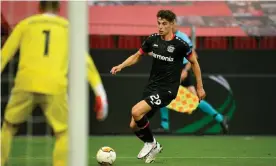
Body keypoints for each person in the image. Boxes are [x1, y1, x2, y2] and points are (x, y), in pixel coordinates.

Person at [0, 1, 108, 166]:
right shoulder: (68, 28)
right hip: (54, 86)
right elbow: (85, 62)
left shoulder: (25, 24)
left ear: (39, 8)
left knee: (8, 126)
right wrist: (99, 92)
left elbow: (4, 54)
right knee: (64, 132)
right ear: (59, 9)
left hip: (25, 83)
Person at [111, 10, 206, 163]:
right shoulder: (152, 40)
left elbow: (194, 62)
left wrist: (200, 87)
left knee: (136, 111)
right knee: (134, 125)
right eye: (159, 23)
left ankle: (151, 143)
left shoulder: (180, 45)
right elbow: (137, 56)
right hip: (152, 87)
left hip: (167, 90)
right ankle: (153, 145)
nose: (160, 27)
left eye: (164, 24)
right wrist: (121, 66)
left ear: (172, 24)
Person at [156, 29, 229, 134]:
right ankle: (220, 118)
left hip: (181, 70)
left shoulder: (182, 37)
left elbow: (193, 55)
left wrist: (185, 70)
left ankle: (165, 125)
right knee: (192, 100)